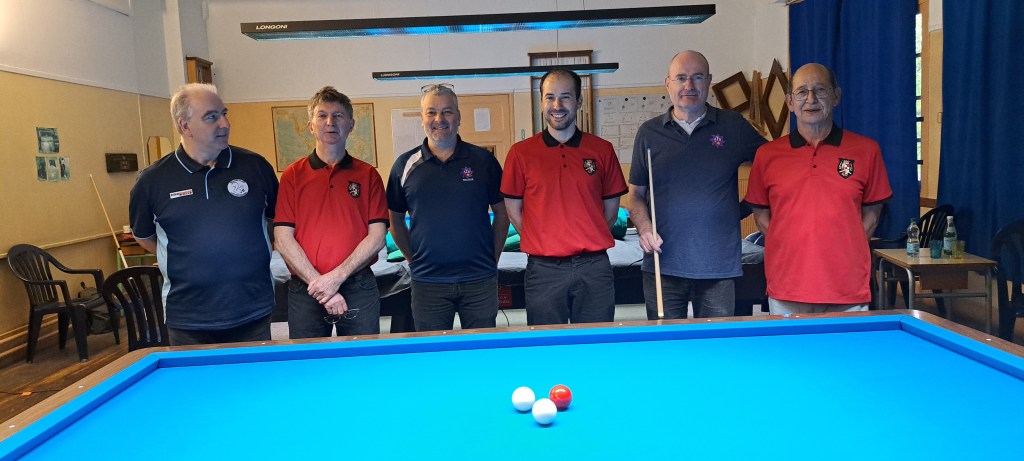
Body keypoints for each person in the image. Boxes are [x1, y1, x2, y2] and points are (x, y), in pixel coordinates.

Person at [129, 83, 279, 345]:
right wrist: (190, 258)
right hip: (188, 317)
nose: (225, 124)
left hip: (252, 309)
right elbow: (144, 237)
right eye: (211, 117)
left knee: (255, 373)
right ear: (184, 126)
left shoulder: (255, 166)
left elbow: (276, 221)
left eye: (224, 113)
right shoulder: (152, 181)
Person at [627, 50, 766, 320]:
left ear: (709, 81)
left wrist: (746, 206)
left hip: (718, 266)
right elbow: (635, 196)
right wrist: (644, 229)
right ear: (668, 83)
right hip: (663, 265)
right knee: (667, 342)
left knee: (715, 342)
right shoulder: (649, 133)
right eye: (681, 78)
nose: (689, 85)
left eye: (697, 77)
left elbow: (772, 163)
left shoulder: (733, 126)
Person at [744, 63, 892, 314]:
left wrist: (843, 246)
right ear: (790, 102)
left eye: (820, 90)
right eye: (802, 92)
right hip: (787, 286)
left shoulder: (867, 150)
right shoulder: (767, 155)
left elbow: (872, 214)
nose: (811, 99)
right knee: (790, 343)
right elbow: (761, 218)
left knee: (847, 343)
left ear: (836, 97)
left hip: (847, 287)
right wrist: (790, 246)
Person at [501, 69, 628, 325]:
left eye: (565, 97)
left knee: (596, 341)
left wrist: (586, 237)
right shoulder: (520, 153)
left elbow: (611, 211)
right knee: (546, 344)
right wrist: (542, 240)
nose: (557, 105)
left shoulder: (602, 150)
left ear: (579, 102)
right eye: (550, 97)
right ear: (541, 102)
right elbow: (513, 210)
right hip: (543, 270)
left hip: (594, 268)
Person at [387, 84, 509, 331]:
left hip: (479, 280)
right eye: (431, 112)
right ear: (422, 119)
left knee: (481, 349)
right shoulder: (404, 166)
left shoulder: (483, 161)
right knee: (433, 351)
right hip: (428, 283)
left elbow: (502, 213)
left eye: (447, 112)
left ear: (458, 117)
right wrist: (414, 260)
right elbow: (394, 220)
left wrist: (492, 259)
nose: (439, 119)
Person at [274, 86, 388, 338]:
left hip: (358, 285)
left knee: (362, 356)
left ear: (351, 124)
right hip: (305, 288)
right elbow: (282, 239)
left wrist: (335, 278)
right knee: (308, 358)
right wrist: (320, 284)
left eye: (338, 116)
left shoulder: (368, 175)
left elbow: (378, 237)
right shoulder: (293, 175)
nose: (330, 122)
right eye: (322, 115)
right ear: (310, 126)